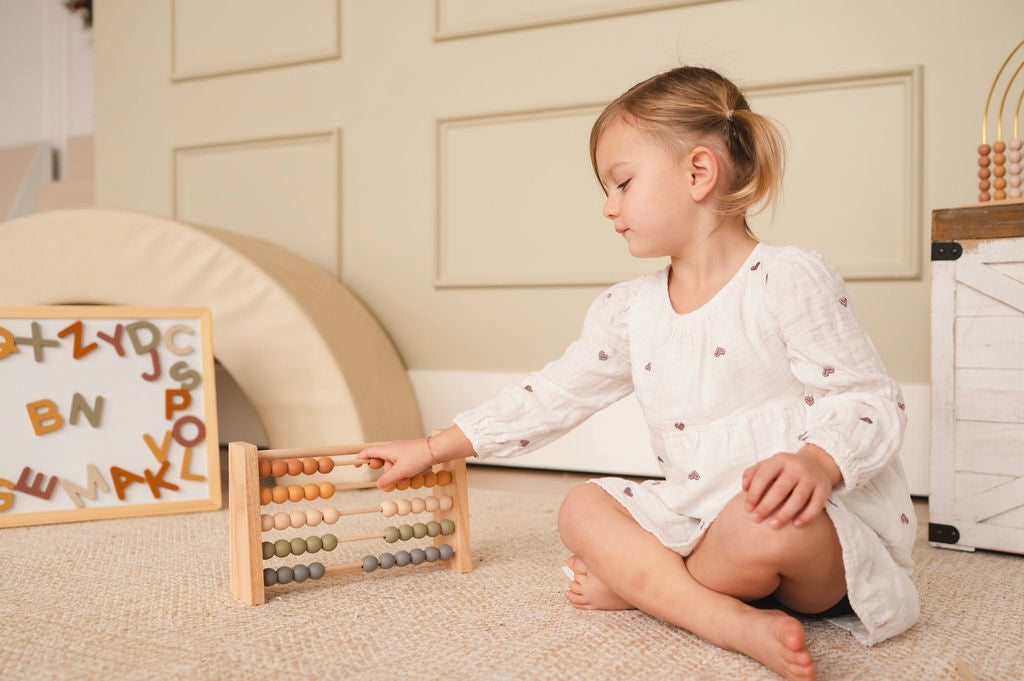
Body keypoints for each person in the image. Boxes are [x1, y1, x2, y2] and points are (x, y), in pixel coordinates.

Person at [359, 65, 918, 681]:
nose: (607, 207)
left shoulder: (787, 279)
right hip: (696, 522)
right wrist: (437, 446)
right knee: (580, 507)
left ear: (698, 173)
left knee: (756, 523)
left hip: (801, 537)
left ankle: (655, 591)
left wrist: (818, 462)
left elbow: (868, 398)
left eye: (622, 183)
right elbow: (555, 393)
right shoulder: (631, 310)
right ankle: (720, 615)